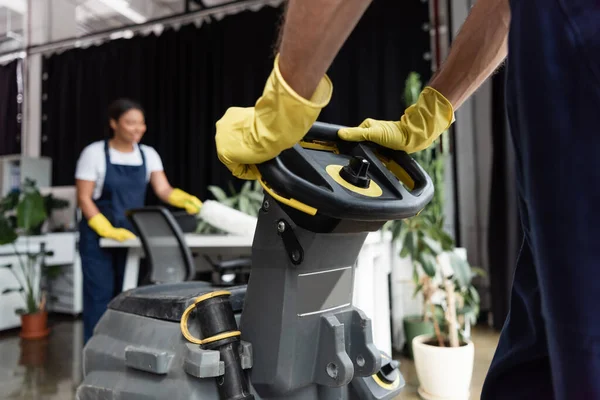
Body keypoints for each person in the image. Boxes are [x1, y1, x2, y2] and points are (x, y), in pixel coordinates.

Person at [215, 0, 600, 398]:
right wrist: (432, 112)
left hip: (576, 51)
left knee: (583, 342)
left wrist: (284, 103)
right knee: (536, 356)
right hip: (565, 51)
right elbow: (503, 8)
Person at [76, 98, 202, 342]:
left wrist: (185, 199)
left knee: (131, 292)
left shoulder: (148, 154)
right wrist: (104, 228)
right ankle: (95, 350)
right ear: (114, 124)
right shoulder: (94, 154)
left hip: (133, 234)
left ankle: (125, 348)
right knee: (99, 294)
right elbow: (84, 198)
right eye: (130, 123)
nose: (138, 129)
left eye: (141, 124)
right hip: (98, 235)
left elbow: (163, 189)